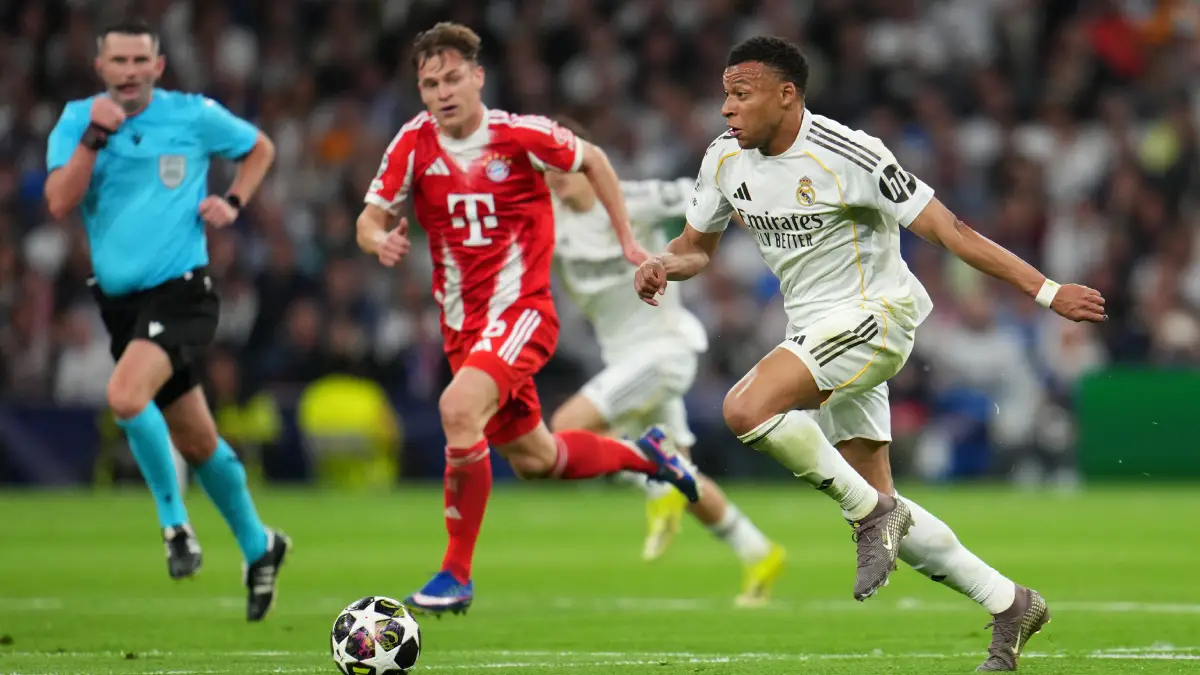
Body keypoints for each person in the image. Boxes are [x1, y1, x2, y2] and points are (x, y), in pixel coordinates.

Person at [633, 36, 1106, 671]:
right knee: (883, 503)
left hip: (875, 318)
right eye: (725, 95)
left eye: (741, 94)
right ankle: (1010, 603)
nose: (726, 108)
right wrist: (663, 263)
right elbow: (696, 247)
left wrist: (1046, 291)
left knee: (745, 409)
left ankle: (871, 516)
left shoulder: (849, 154)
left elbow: (950, 230)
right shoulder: (723, 158)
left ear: (787, 94)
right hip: (816, 336)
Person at [356, 22, 700, 617]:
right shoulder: (412, 143)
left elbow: (593, 160)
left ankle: (454, 575)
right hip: (463, 328)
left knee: (457, 408)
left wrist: (626, 239)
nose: (442, 92)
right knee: (538, 459)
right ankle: (650, 456)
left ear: (478, 77)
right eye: (430, 84)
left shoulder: (521, 135)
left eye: (453, 78)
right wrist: (376, 240)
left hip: (521, 314)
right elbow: (369, 217)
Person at [43, 20, 289, 622]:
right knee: (198, 439)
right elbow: (58, 200)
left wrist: (233, 202)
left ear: (158, 66)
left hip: (183, 292)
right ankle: (259, 545)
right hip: (122, 307)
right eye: (118, 61)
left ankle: (175, 526)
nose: (129, 71)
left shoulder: (191, 114)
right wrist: (94, 139)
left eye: (140, 60)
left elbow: (260, 148)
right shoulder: (77, 121)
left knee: (125, 396)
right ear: (100, 67)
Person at [543, 118, 785, 607]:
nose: (555, 175)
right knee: (684, 477)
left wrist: (770, 232)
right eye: (545, 167)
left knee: (565, 430)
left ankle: (655, 481)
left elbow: (715, 192)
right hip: (624, 362)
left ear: (588, 163)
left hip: (665, 350)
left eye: (563, 164)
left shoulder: (633, 199)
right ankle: (759, 552)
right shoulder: (548, 220)